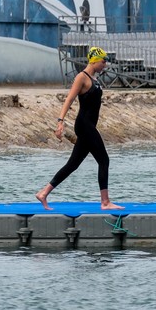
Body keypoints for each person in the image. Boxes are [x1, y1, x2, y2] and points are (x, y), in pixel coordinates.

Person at [36, 47, 123, 211]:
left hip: (89, 126)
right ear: (94, 60)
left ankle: (43, 193)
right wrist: (60, 121)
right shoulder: (81, 77)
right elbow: (69, 99)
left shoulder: (94, 78)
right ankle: (105, 202)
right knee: (104, 160)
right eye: (103, 61)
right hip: (84, 126)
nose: (105, 65)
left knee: (73, 164)